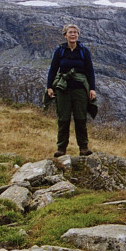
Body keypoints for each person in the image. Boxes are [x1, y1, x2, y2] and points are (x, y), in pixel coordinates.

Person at [46, 24, 97, 157]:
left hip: (80, 90)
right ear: (65, 35)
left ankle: (84, 148)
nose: (73, 34)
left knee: (81, 119)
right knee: (63, 119)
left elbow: (90, 71)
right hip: (63, 90)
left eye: (75, 32)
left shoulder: (84, 51)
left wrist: (92, 89)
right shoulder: (60, 51)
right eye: (70, 32)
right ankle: (61, 149)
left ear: (78, 35)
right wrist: (49, 87)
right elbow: (53, 69)